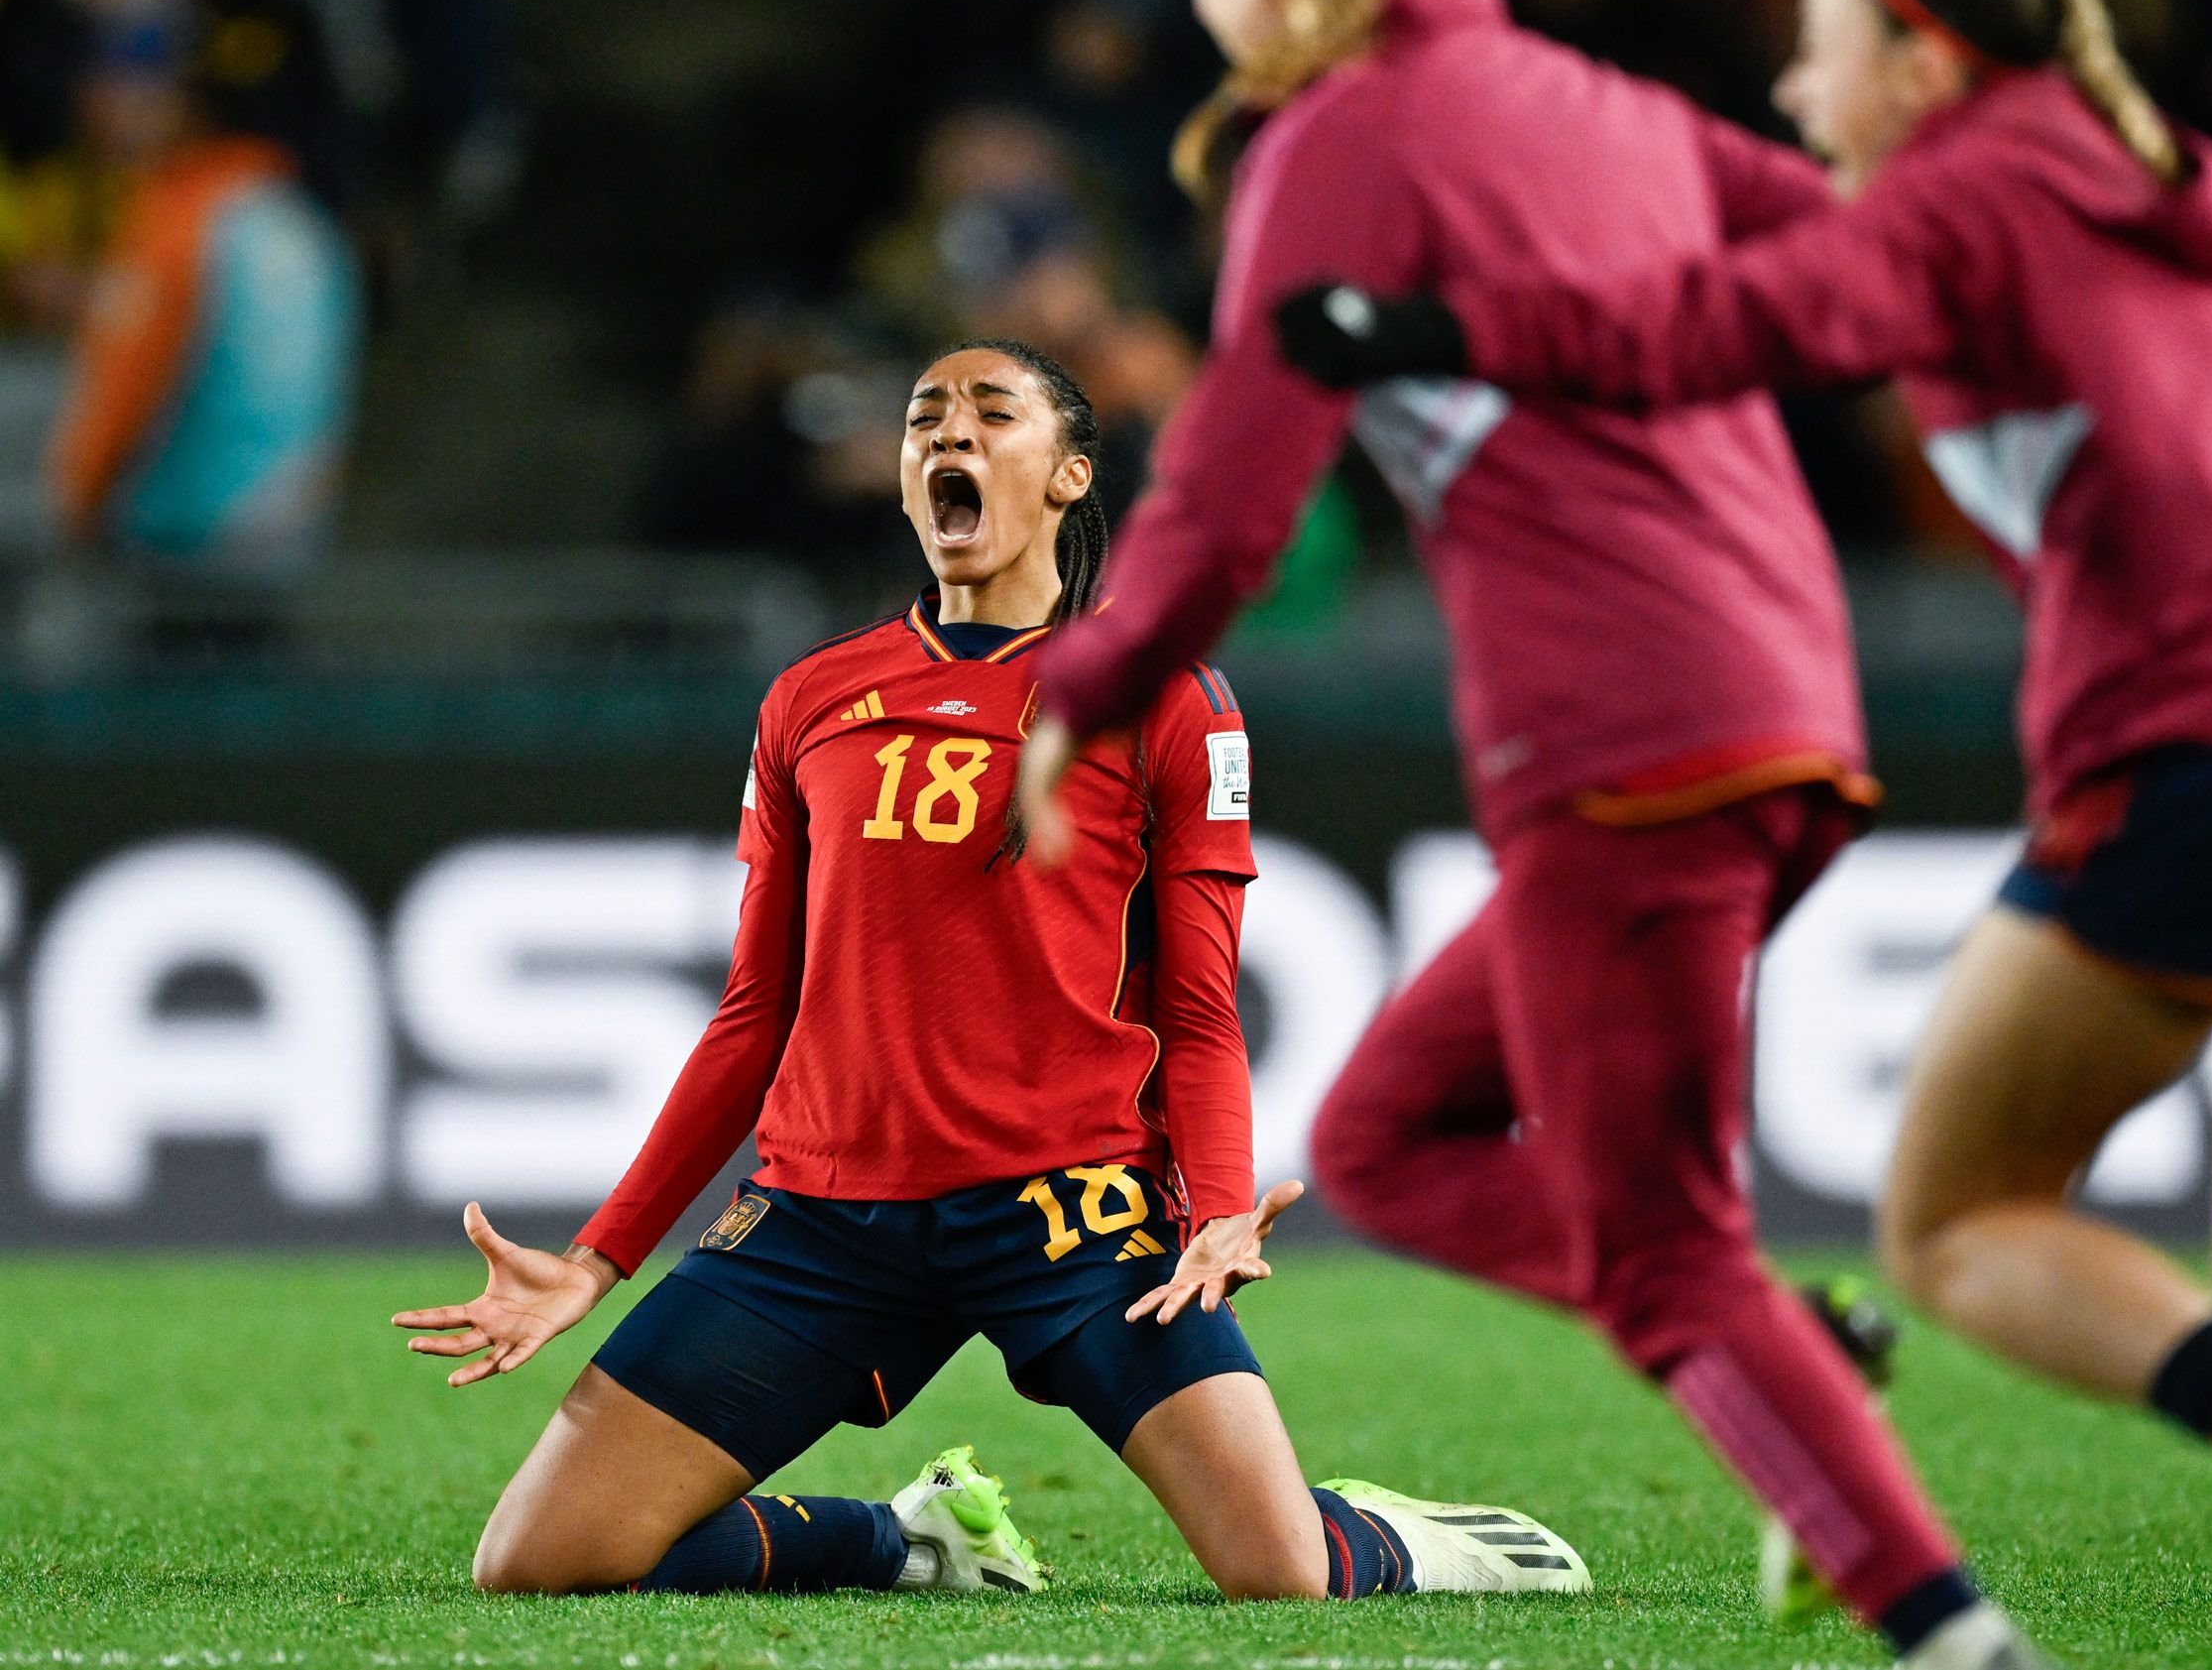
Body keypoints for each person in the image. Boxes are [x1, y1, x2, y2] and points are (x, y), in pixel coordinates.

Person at [1273, 0, 2212, 1670]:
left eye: (1821, 51)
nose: (1797, 94)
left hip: (2195, 744)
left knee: (1954, 1222)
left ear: (1925, 67)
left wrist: (1430, 330)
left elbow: (1711, 328)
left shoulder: (1965, 196)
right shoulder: (2198, 194)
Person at [1013, 0, 2056, 1670]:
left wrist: (1073, 698)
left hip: (1633, 736)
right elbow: (1861, 268)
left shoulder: (1340, 138)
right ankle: (1783, 1355)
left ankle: (1955, 1634)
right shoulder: (1615, 108)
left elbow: (1230, 511)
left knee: (1658, 1248)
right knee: (1401, 1136)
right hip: (1779, 703)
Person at [389, 337, 1588, 1608]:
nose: (944, 438)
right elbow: (756, 1011)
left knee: (1280, 1574)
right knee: (537, 1562)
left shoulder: (1169, 700)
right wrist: (598, 1258)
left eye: (989, 413)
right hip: (825, 1218)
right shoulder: (812, 698)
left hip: (1072, 1215)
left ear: (1070, 474)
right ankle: (904, 1542)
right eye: (923, 422)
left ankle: (1390, 1534)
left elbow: (1198, 1009)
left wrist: (1218, 1203)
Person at [47, 2, 360, 570]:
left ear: (190, 104)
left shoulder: (181, 223)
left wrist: (76, 507)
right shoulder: (299, 223)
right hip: (283, 540)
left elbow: (127, 382)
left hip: (177, 546)